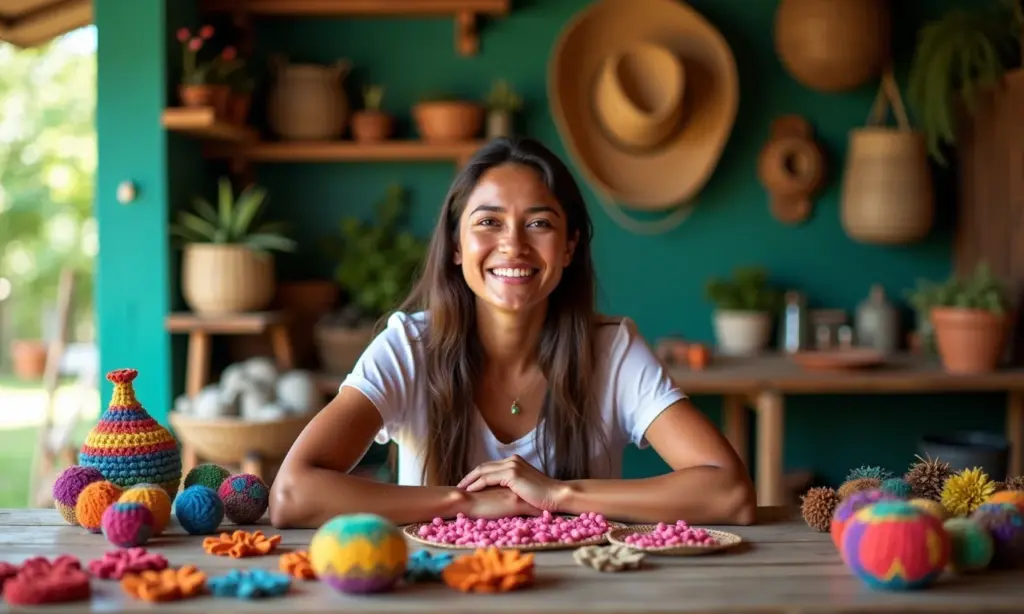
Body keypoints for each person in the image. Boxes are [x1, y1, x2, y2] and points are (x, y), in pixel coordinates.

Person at [269, 137, 755, 529]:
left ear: (568, 247)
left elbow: (729, 493)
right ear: (457, 246)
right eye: (489, 222)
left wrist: (558, 494)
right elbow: (293, 494)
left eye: (539, 223)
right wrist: (464, 503)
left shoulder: (613, 350)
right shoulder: (408, 347)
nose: (513, 245)